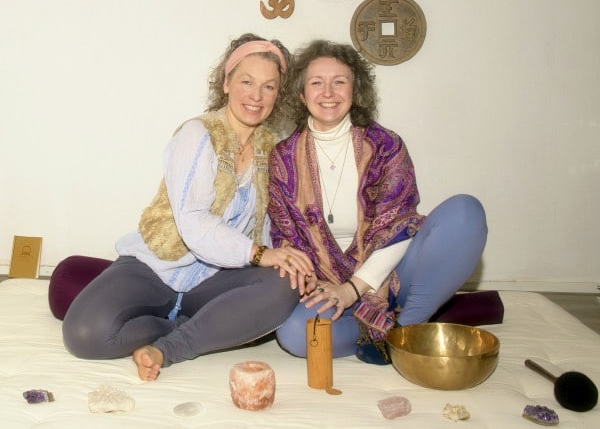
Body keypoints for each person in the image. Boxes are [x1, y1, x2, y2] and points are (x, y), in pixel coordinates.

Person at [62, 33, 314, 381]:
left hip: (216, 279)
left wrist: (287, 259)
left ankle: (173, 347)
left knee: (286, 283)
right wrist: (259, 254)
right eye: (246, 82)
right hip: (157, 267)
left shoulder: (276, 149)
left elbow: (275, 222)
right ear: (226, 83)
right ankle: (188, 325)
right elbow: (193, 221)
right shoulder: (197, 134)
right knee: (84, 335)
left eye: (268, 87)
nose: (256, 96)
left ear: (278, 94)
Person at [268, 39, 488, 365]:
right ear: (301, 94)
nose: (328, 92)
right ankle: (381, 330)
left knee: (465, 212)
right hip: (328, 282)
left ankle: (406, 330)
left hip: (395, 273)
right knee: (294, 334)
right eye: (316, 83)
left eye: (339, 82)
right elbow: (284, 237)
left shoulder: (386, 145)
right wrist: (312, 280)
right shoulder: (282, 158)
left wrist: (353, 289)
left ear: (355, 90)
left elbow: (399, 226)